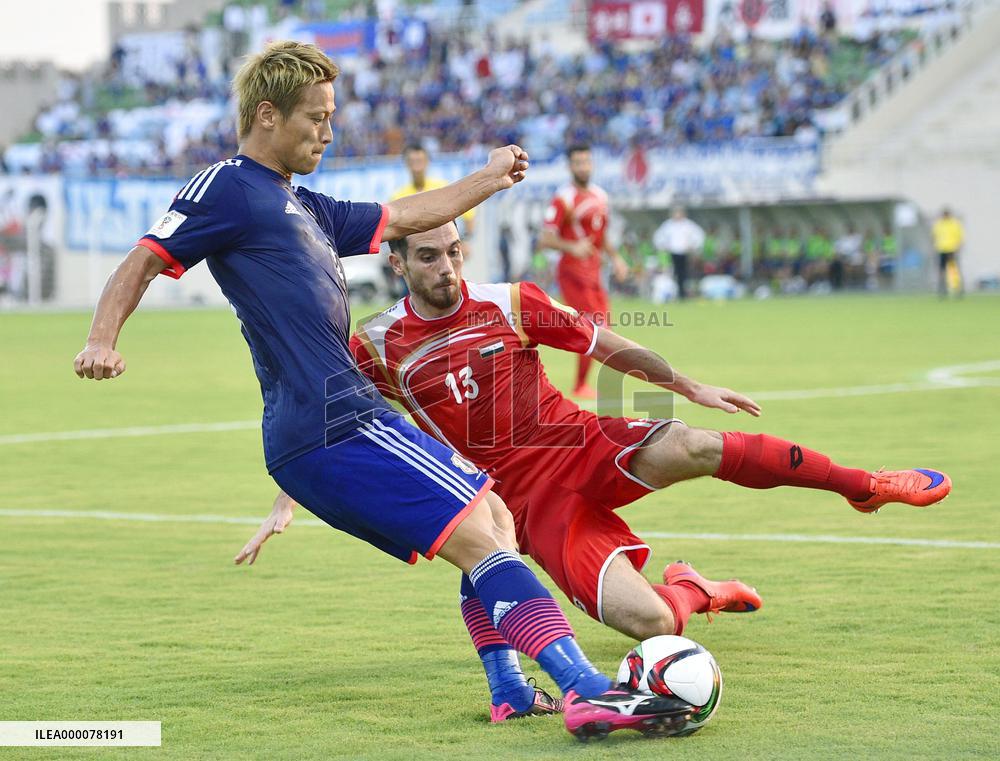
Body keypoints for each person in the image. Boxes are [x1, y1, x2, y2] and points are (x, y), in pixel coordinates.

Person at [72, 41, 695, 743]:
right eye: (316, 117)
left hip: (346, 416)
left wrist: (489, 178)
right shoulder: (226, 186)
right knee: (479, 541)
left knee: (495, 516)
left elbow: (405, 216)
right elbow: (145, 257)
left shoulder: (302, 203)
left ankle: (511, 691)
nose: (328, 132)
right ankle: (586, 688)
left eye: (331, 117)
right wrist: (102, 337)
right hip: (331, 422)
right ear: (268, 115)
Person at [293, 221, 949, 721]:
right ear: (398, 261)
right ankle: (692, 589)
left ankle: (865, 485)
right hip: (522, 507)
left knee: (696, 445)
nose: (447, 266)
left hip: (579, 442)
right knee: (655, 625)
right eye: (430, 256)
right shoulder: (375, 346)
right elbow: (337, 419)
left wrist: (685, 383)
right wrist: (289, 492)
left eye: (455, 251)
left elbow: (598, 340)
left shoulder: (509, 300)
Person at [537, 144, 627, 400]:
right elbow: (544, 239)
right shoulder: (563, 198)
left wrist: (617, 258)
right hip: (572, 272)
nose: (583, 167)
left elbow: (601, 236)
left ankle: (582, 383)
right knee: (593, 325)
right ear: (570, 166)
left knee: (603, 327)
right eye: (577, 162)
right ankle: (579, 385)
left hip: (594, 272)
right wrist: (571, 246)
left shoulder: (600, 196)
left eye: (586, 162)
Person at [652, 207, 704, 301]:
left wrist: (693, 246)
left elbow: (699, 235)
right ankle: (674, 293)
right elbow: (659, 237)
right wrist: (663, 246)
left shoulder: (688, 225)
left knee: (683, 273)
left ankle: (683, 293)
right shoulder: (668, 225)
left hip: (684, 252)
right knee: (673, 273)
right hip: (673, 252)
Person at [931, 207, 964, 297]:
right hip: (941, 249)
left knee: (953, 270)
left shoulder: (954, 224)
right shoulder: (939, 224)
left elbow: (960, 236)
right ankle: (942, 289)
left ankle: (956, 288)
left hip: (952, 249)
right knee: (942, 270)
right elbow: (934, 236)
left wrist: (958, 247)